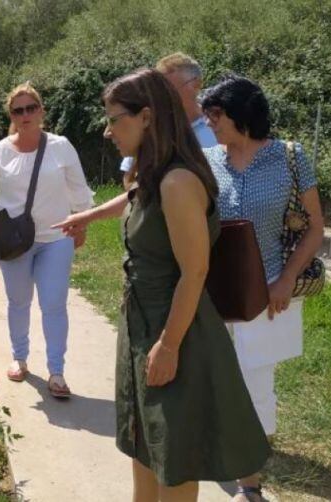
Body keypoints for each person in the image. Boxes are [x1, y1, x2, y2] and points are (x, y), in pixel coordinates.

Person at [100, 69, 269, 501]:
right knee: (144, 446)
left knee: (174, 457)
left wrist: (169, 345)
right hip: (143, 328)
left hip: (175, 332)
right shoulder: (149, 178)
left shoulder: (177, 182)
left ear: (146, 117)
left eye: (114, 118)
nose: (107, 130)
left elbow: (194, 272)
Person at [200, 75, 324, 502]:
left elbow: (315, 228)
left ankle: (249, 483)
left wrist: (286, 278)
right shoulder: (207, 160)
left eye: (215, 114)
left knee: (256, 384)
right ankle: (219, 454)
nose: (210, 123)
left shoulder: (289, 156)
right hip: (214, 292)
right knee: (215, 378)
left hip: (268, 292)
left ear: (240, 113)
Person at [0, 82, 94, 398]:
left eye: (30, 108)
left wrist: (81, 226)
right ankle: (20, 358)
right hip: (14, 243)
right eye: (18, 110)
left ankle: (56, 372)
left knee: (54, 304)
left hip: (56, 238)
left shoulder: (61, 146)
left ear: (41, 111)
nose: (25, 115)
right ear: (11, 115)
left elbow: (79, 190)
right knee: (19, 301)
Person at [119, 53, 218, 185]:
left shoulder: (220, 126)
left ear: (197, 85)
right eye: (159, 91)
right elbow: (130, 179)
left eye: (171, 89)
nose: (163, 97)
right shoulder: (150, 129)